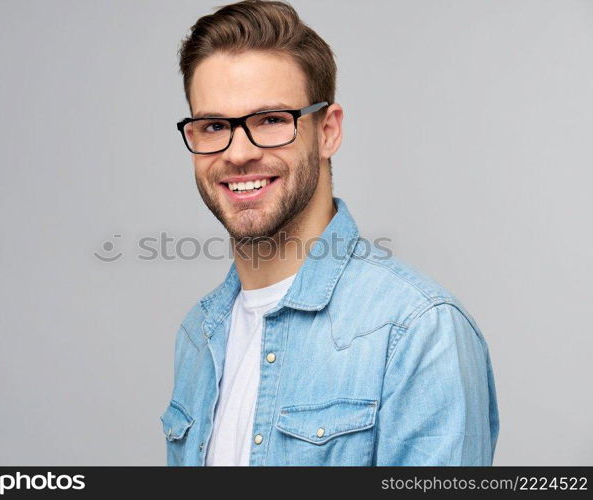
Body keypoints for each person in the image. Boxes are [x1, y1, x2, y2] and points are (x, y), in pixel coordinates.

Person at [160, 0, 499, 466]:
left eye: (271, 120)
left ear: (328, 131)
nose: (238, 153)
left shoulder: (419, 332)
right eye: (215, 126)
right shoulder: (199, 335)